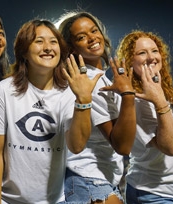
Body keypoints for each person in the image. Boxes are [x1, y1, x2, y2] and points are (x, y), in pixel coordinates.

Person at [0, 19, 102, 204]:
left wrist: (83, 100)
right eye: (39, 41)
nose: (48, 47)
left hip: (56, 200)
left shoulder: (68, 92)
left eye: (53, 42)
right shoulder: (4, 90)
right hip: (8, 200)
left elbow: (76, 145)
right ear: (24, 51)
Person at [56, 11, 136, 203]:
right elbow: (122, 146)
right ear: (72, 48)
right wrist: (128, 95)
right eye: (81, 37)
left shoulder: (100, 77)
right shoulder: (92, 82)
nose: (92, 38)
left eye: (94, 31)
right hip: (90, 179)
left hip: (97, 179)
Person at [116, 30, 173, 203]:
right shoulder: (135, 100)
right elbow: (171, 147)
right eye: (142, 53)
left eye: (154, 50)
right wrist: (160, 101)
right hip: (155, 194)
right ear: (129, 60)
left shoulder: (161, 89)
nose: (151, 57)